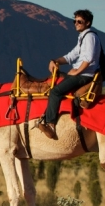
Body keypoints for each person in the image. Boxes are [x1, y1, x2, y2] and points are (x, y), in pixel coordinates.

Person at [37, 9, 101, 139]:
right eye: (75, 21)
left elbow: (88, 59)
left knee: (55, 92)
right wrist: (55, 61)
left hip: (84, 75)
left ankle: (51, 125)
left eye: (80, 21)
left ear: (87, 23)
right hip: (81, 73)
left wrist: (77, 71)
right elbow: (71, 56)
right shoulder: (83, 37)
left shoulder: (90, 37)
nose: (76, 23)